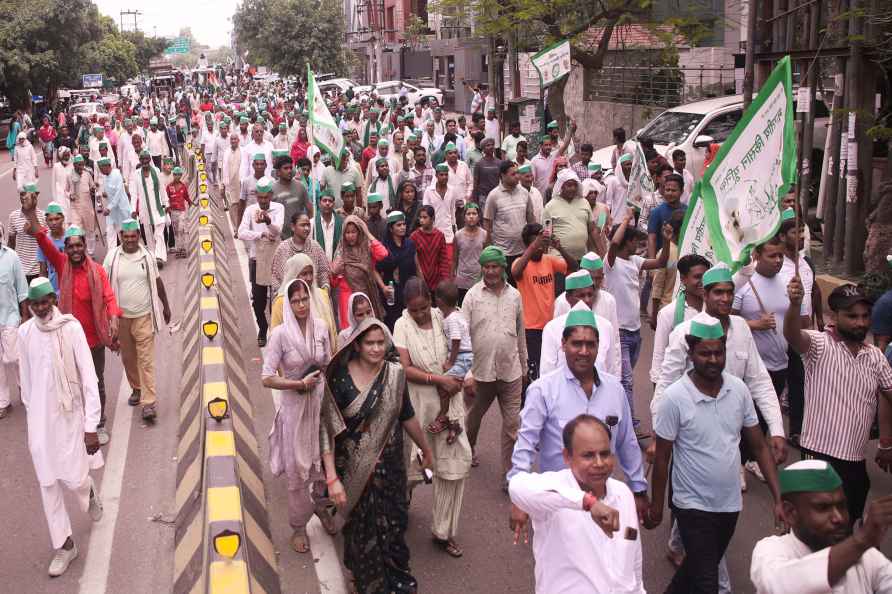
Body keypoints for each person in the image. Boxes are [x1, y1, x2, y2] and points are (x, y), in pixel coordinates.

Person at [650, 313, 783, 593]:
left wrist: (779, 498)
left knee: (694, 570)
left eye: (718, 352)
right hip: (691, 505)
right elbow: (662, 459)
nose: (712, 360)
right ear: (691, 353)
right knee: (707, 582)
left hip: (729, 504)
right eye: (704, 353)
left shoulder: (739, 391)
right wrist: (657, 507)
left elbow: (758, 446)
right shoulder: (674, 398)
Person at [319, 318, 433, 593]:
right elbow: (327, 430)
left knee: (393, 528)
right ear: (357, 345)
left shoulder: (394, 375)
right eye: (370, 343)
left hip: (391, 472)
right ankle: (362, 578)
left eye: (381, 342)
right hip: (355, 473)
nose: (376, 348)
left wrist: (426, 448)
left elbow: (406, 415)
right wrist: (332, 477)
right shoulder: (340, 378)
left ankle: (396, 582)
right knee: (360, 531)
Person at [784, 280, 892, 523]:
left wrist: (886, 441)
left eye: (865, 316)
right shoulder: (819, 345)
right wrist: (794, 305)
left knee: (847, 524)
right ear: (835, 315)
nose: (861, 322)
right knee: (818, 526)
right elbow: (792, 334)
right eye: (852, 316)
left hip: (855, 460)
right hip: (819, 455)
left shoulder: (875, 356)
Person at [17, 277, 104, 577]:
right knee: (47, 482)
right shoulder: (24, 332)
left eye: (44, 302)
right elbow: (25, 383)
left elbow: (89, 376)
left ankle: (88, 492)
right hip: (40, 423)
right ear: (29, 305)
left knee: (76, 477)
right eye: (34, 304)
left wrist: (91, 425)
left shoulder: (71, 328)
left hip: (70, 418)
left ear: (53, 299)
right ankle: (65, 545)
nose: (40, 308)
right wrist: (33, 422)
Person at [509, 414, 645, 594]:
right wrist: (586, 502)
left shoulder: (623, 494)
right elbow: (517, 486)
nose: (599, 463)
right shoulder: (555, 492)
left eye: (604, 454)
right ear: (567, 457)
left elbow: (633, 554)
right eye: (588, 456)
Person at [393, 278, 472, 557]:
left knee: (454, 466)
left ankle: (444, 531)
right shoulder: (401, 326)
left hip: (449, 402)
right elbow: (405, 367)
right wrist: (439, 378)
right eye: (414, 310)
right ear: (406, 308)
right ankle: (400, 505)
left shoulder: (443, 317)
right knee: (412, 468)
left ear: (432, 301)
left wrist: (460, 378)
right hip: (417, 407)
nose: (420, 314)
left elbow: (463, 349)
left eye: (424, 308)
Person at [261, 279, 334, 553]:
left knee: (323, 465)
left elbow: (327, 363)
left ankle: (323, 509)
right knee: (297, 472)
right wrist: (297, 385)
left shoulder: (322, 328)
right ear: (288, 304)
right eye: (296, 300)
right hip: (294, 410)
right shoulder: (280, 335)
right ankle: (298, 527)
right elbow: (267, 378)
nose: (302, 305)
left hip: (319, 405)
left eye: (305, 298)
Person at [751, 460, 892, 593]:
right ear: (790, 513)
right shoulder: (770, 550)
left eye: (842, 506)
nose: (839, 518)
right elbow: (780, 585)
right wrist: (861, 541)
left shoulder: (866, 557)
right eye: (823, 508)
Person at [463, 246, 527, 480]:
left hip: (510, 370)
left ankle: (509, 475)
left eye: (495, 267)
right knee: (473, 417)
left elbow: (520, 332)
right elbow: (463, 335)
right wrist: (466, 372)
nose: (490, 271)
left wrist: (524, 364)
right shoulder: (472, 296)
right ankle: (468, 449)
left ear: (502, 268)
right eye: (486, 267)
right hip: (480, 373)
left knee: (512, 426)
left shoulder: (515, 295)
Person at [606, 208, 672, 421]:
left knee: (623, 379)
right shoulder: (611, 262)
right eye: (634, 241)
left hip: (635, 332)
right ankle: (630, 424)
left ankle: (612, 410)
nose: (638, 245)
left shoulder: (634, 261)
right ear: (627, 241)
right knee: (626, 380)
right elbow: (614, 244)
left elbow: (661, 263)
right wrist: (625, 220)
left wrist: (667, 240)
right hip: (621, 332)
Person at [103, 219, 171, 422]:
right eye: (126, 236)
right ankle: (136, 388)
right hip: (121, 318)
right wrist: (106, 318)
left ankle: (148, 402)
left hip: (143, 316)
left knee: (146, 360)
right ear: (121, 236)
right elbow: (105, 288)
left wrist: (166, 305)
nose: (130, 240)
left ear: (139, 237)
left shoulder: (147, 257)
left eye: (134, 236)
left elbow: (157, 282)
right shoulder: (112, 258)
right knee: (128, 358)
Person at [512, 223, 575, 381]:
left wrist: (559, 248)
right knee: (531, 373)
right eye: (535, 242)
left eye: (542, 243)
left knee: (548, 371)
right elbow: (515, 272)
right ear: (528, 244)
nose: (540, 247)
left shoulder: (549, 260)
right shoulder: (521, 262)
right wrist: (534, 245)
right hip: (529, 328)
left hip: (549, 326)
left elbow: (574, 267)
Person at [239, 177, 285, 347]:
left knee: (277, 297)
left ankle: (276, 331)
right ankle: (263, 327)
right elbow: (241, 232)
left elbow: (278, 230)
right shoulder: (250, 210)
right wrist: (259, 235)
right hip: (256, 259)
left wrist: (267, 221)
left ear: (271, 195)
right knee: (258, 300)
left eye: (266, 197)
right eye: (260, 197)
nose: (263, 201)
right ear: (256, 196)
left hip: (275, 258)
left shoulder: (279, 208)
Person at [651, 254, 710, 387]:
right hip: (678, 386)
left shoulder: (713, 310)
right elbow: (659, 355)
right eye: (697, 277)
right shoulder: (668, 313)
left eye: (705, 276)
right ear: (683, 279)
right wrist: (657, 390)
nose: (703, 282)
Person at [332, 215, 389, 327]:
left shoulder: (366, 249)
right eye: (347, 233)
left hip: (367, 296)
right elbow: (334, 282)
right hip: (348, 300)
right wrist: (334, 272)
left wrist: (367, 233)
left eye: (354, 232)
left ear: (359, 232)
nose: (350, 236)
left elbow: (383, 254)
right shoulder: (341, 252)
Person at [270, 253, 338, 347]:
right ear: (294, 274)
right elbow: (274, 339)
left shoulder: (322, 295)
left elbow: (333, 330)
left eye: (311, 273)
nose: (309, 278)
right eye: (304, 274)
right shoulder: (281, 302)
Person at [483, 161, 535, 274]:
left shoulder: (524, 193)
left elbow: (531, 219)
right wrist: (490, 251)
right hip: (503, 253)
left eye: (518, 173)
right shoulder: (494, 196)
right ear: (502, 175)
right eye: (513, 174)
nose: (517, 176)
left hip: (523, 251)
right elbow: (487, 225)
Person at [0, 223, 28, 420]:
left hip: (9, 317)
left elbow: (22, 289)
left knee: (15, 358)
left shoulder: (11, 257)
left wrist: (25, 317)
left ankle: (26, 394)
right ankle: (3, 402)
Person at [542, 169, 599, 262]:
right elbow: (546, 235)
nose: (572, 188)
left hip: (582, 258)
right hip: (559, 259)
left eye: (575, 185)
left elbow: (592, 230)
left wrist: (600, 251)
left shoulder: (584, 202)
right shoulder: (550, 206)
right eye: (569, 185)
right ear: (561, 186)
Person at [270, 212, 331, 296]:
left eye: (308, 225)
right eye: (303, 225)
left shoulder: (315, 247)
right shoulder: (283, 248)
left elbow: (323, 272)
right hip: (288, 298)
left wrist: (325, 289)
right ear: (293, 227)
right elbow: (275, 278)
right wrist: (283, 298)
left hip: (313, 297)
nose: (306, 228)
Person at [377, 211, 418, 330]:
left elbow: (416, 265)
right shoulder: (384, 248)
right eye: (398, 225)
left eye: (404, 224)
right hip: (392, 293)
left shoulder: (410, 244)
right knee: (394, 324)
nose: (402, 227)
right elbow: (374, 270)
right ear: (391, 228)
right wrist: (383, 288)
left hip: (409, 290)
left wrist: (421, 285)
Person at [129, 149, 169, 266]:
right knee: (149, 234)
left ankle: (159, 256)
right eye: (142, 159)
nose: (145, 161)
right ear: (140, 161)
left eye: (147, 159)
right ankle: (152, 257)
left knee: (159, 233)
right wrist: (133, 210)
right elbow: (134, 194)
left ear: (150, 159)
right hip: (144, 209)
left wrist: (166, 203)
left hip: (158, 208)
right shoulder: (135, 174)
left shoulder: (156, 171)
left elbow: (162, 189)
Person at [423, 163, 461, 265]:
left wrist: (454, 228)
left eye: (446, 175)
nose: (444, 177)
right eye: (441, 175)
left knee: (448, 264)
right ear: (436, 176)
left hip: (448, 234)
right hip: (433, 234)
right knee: (433, 263)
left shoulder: (452, 190)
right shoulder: (428, 191)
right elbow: (425, 213)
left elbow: (453, 210)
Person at [410, 206, 450, 295]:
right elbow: (413, 261)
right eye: (420, 217)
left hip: (437, 281)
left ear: (432, 219)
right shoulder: (414, 237)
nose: (421, 220)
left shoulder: (439, 236)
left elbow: (443, 260)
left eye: (425, 217)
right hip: (420, 281)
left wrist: (445, 281)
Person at [452, 203, 487, 304]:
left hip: (478, 279)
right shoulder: (458, 235)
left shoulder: (484, 235)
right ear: (464, 217)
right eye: (468, 214)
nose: (471, 216)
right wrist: (452, 278)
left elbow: (486, 259)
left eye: (474, 214)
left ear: (478, 217)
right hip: (462, 280)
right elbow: (454, 259)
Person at [272, 154, 312, 239]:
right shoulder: (272, 189)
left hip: (298, 236)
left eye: (290, 168)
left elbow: (310, 209)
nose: (289, 170)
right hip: (279, 237)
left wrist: (307, 227)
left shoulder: (300, 187)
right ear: (278, 172)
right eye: (285, 168)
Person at [98, 157, 132, 249]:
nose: (100, 170)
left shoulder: (117, 174)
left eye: (101, 168)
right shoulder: (105, 177)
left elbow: (118, 193)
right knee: (110, 232)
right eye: (99, 168)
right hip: (111, 212)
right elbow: (107, 191)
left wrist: (109, 207)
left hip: (121, 209)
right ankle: (111, 256)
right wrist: (105, 194)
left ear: (108, 166)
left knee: (124, 232)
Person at [36, 202, 66, 292]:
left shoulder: (71, 237)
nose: (54, 223)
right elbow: (43, 270)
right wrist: (42, 291)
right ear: (46, 221)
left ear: (63, 218)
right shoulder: (44, 241)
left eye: (57, 219)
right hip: (54, 288)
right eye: (50, 220)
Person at [165, 166, 192, 258]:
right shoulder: (169, 187)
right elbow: (166, 198)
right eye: (175, 174)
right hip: (173, 211)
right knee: (176, 231)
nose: (177, 176)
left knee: (182, 228)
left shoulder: (183, 186)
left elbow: (186, 196)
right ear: (173, 175)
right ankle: (179, 249)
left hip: (182, 211)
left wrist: (190, 202)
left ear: (181, 175)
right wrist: (167, 207)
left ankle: (184, 248)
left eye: (179, 174)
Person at [471, 138, 501, 210]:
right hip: (484, 197)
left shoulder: (499, 163)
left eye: (492, 145)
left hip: (497, 196)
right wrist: (475, 200)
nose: (491, 147)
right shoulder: (479, 164)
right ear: (483, 149)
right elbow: (475, 182)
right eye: (488, 145)